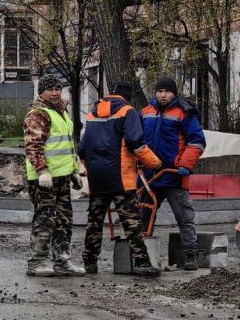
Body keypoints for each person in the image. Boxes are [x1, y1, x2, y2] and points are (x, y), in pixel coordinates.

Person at [78, 83, 163, 276]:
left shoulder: (92, 113)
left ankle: (89, 262)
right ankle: (141, 262)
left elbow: (82, 148)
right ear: (127, 97)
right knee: (131, 221)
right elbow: (136, 143)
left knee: (95, 220)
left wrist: (92, 165)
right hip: (120, 176)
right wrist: (155, 163)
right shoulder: (127, 111)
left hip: (97, 176)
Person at [23, 74, 86, 277]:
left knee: (64, 219)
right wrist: (42, 170)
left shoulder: (61, 112)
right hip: (44, 179)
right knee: (45, 218)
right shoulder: (38, 114)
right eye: (50, 89)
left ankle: (62, 260)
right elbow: (33, 145)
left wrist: (74, 171)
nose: (55, 92)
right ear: (42, 91)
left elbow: (67, 145)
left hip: (61, 177)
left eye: (58, 88)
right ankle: (37, 262)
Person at [141, 77, 206, 271]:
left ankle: (190, 256)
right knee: (144, 216)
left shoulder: (184, 113)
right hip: (150, 177)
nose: (162, 95)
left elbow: (196, 142)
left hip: (173, 175)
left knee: (184, 217)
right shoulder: (145, 113)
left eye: (166, 91)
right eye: (159, 91)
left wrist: (185, 164)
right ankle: (142, 256)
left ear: (174, 93)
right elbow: (135, 141)